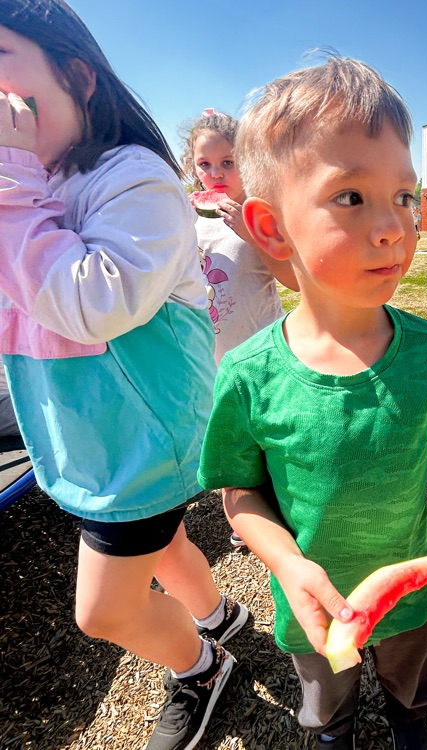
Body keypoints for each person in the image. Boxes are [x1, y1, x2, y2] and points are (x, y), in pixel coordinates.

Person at [197, 56, 427, 750]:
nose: (393, 226)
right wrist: (288, 565)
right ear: (272, 230)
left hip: (413, 592)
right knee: (327, 694)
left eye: (405, 197)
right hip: (312, 604)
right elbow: (240, 494)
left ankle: (409, 720)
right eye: (352, 198)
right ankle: (332, 728)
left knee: (413, 678)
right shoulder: (248, 375)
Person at [0, 3, 247, 750]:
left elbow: (91, 304)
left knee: (102, 612)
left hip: (140, 443)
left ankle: (203, 666)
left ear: (76, 76)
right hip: (93, 441)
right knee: (166, 545)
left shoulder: (132, 178)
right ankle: (218, 616)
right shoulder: (28, 185)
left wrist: (8, 184)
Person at [181, 108, 298, 366]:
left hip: (261, 354)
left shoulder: (263, 213)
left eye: (227, 162)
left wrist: (251, 235)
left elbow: (295, 281)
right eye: (204, 165)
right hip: (206, 358)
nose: (216, 174)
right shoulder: (187, 216)